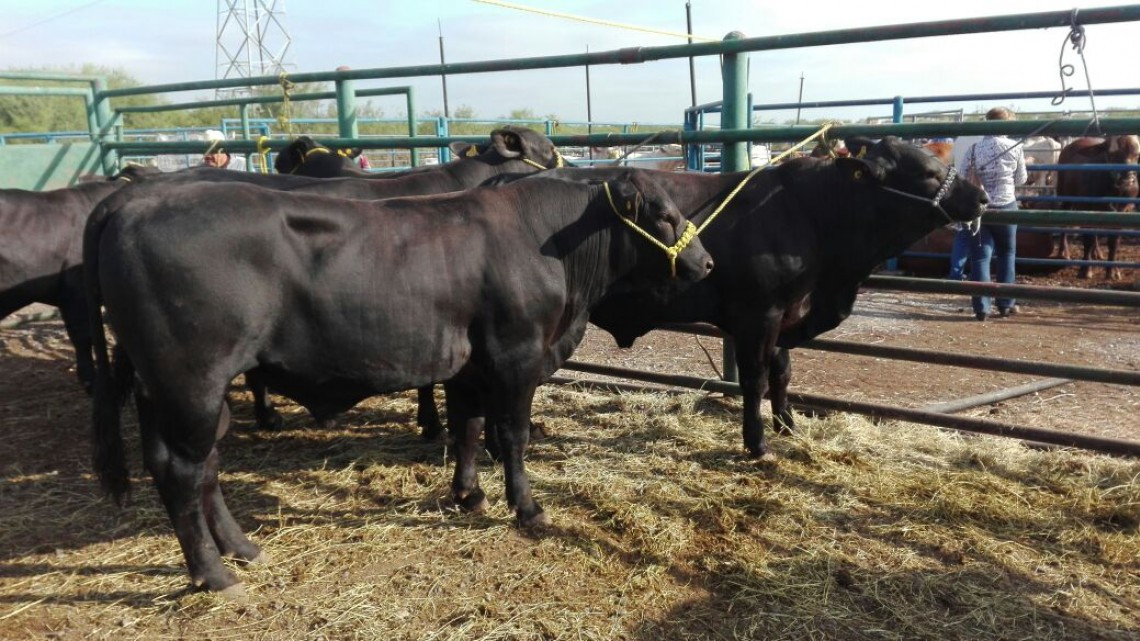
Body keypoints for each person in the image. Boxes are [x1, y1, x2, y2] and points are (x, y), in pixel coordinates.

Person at [954, 107, 1027, 320]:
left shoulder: (975, 149)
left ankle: (981, 308)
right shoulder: (1015, 147)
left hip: (981, 209)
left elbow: (963, 177)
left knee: (980, 258)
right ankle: (1005, 303)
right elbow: (1021, 179)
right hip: (1006, 206)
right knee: (1007, 254)